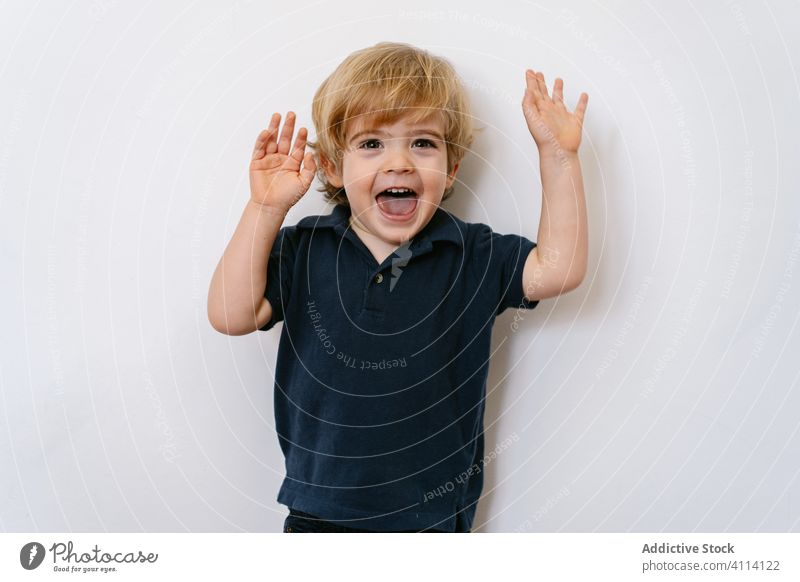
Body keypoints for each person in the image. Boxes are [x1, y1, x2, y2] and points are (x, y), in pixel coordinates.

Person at [207, 41, 589, 533]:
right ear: (330, 167)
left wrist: (560, 157)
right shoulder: (303, 249)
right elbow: (229, 314)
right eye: (371, 144)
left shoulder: (470, 252)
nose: (400, 162)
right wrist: (264, 209)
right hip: (319, 512)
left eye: (423, 143)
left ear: (451, 169)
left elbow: (560, 268)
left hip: (431, 516)